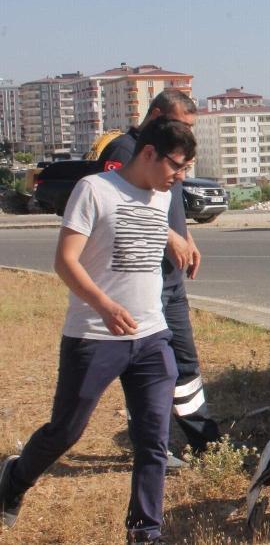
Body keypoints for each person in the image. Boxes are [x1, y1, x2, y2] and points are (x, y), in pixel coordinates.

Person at [0, 118, 196, 542]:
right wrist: (105, 306)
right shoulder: (93, 191)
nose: (180, 177)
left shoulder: (160, 196)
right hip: (95, 335)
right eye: (177, 166)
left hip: (151, 336)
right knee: (65, 431)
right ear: (149, 154)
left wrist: (177, 238)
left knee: (153, 440)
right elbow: (65, 261)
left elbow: (143, 219)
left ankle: (145, 532)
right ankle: (13, 480)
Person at [99, 89, 220, 460]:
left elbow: (166, 205)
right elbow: (118, 209)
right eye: (181, 124)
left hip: (170, 281)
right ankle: (153, 447)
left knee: (185, 365)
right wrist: (169, 236)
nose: (186, 134)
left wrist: (187, 236)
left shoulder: (172, 149)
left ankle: (206, 443)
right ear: (155, 115)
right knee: (149, 370)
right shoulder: (126, 151)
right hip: (140, 281)